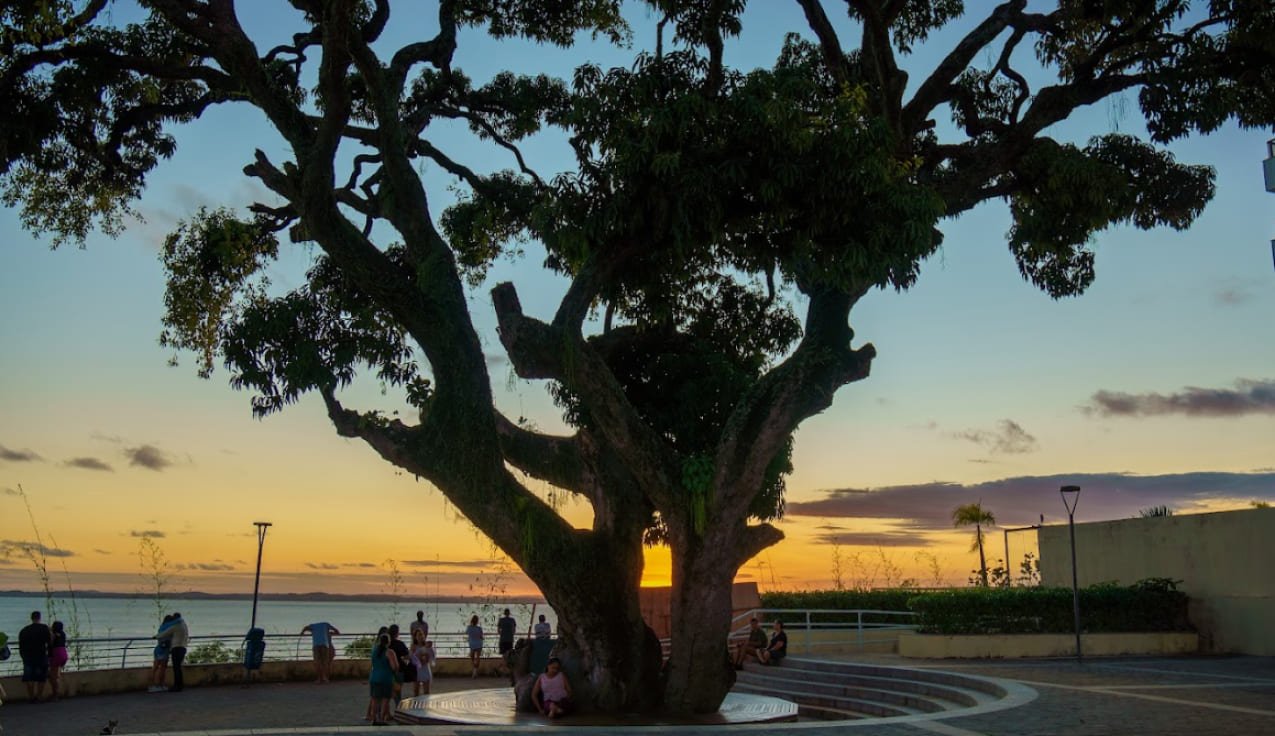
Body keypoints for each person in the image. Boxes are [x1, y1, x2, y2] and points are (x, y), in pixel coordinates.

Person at [18, 611, 51, 703]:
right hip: (41, 655)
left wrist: (23, 656)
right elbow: (49, 642)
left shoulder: (24, 630)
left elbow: (21, 645)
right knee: (41, 677)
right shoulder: (44, 628)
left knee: (29, 677)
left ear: (31, 618)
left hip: (28, 656)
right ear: (39, 618)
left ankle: (31, 696)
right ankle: (39, 696)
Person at [367, 632, 398, 726]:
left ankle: (374, 718)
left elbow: (372, 664)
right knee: (385, 699)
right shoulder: (389, 652)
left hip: (374, 677)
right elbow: (394, 666)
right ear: (388, 642)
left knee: (375, 699)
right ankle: (381, 718)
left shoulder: (374, 650)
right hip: (386, 678)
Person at [161, 612, 190, 692]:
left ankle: (177, 686)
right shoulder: (184, 625)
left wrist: (156, 636)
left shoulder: (176, 626)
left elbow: (165, 633)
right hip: (183, 647)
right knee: (178, 668)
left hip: (176, 648)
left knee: (176, 668)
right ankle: (180, 685)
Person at [149, 614, 176, 692]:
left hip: (159, 649)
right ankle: (158, 685)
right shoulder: (169, 628)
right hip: (164, 650)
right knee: (162, 668)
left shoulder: (162, 627)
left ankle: (154, 684)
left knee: (156, 667)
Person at [387, 624, 412, 708]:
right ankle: (398, 708)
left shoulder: (387, 644)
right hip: (399, 669)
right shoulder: (400, 644)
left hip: (387, 669)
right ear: (397, 633)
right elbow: (407, 656)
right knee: (398, 691)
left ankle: (385, 712)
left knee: (387, 693)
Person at [48, 620, 68, 701]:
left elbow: (51, 644)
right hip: (63, 653)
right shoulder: (63, 634)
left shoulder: (53, 635)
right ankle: (56, 693)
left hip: (56, 654)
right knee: (56, 675)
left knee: (53, 676)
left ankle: (55, 694)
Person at [411, 632, 435, 696]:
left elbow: (432, 658)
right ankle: (416, 705)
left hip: (425, 669)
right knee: (416, 691)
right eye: (418, 635)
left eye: (421, 635)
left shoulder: (428, 646)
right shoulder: (413, 646)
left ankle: (425, 705)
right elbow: (411, 658)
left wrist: (426, 658)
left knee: (426, 692)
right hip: (417, 670)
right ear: (415, 637)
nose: (420, 637)